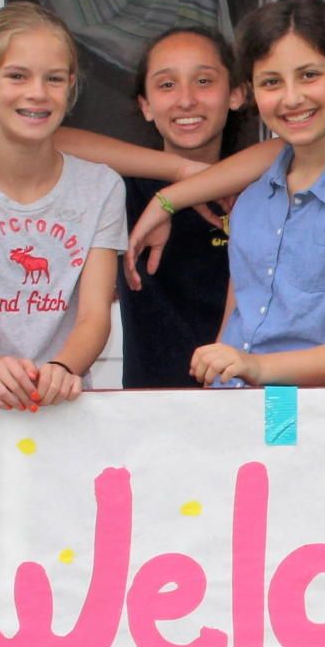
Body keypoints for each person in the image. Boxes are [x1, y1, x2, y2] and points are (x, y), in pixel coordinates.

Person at [125, 0, 325, 387]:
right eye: (271, 82)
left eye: (309, 75)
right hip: (232, 409)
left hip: (309, 416)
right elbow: (235, 326)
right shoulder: (252, 193)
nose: (292, 97)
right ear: (251, 91)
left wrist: (259, 367)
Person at [0, 2, 127, 408]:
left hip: (60, 401)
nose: (37, 92)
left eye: (54, 79)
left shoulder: (101, 188)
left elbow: (93, 318)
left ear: (70, 86)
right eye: (17, 76)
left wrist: (63, 368)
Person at [110, 27, 251, 387]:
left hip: (248, 401)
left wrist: (176, 196)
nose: (186, 100)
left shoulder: (262, 187)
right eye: (167, 85)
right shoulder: (122, 191)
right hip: (149, 408)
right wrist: (181, 174)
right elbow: (51, 142)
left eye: (204, 81)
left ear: (236, 93)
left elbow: (299, 147)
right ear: (145, 105)